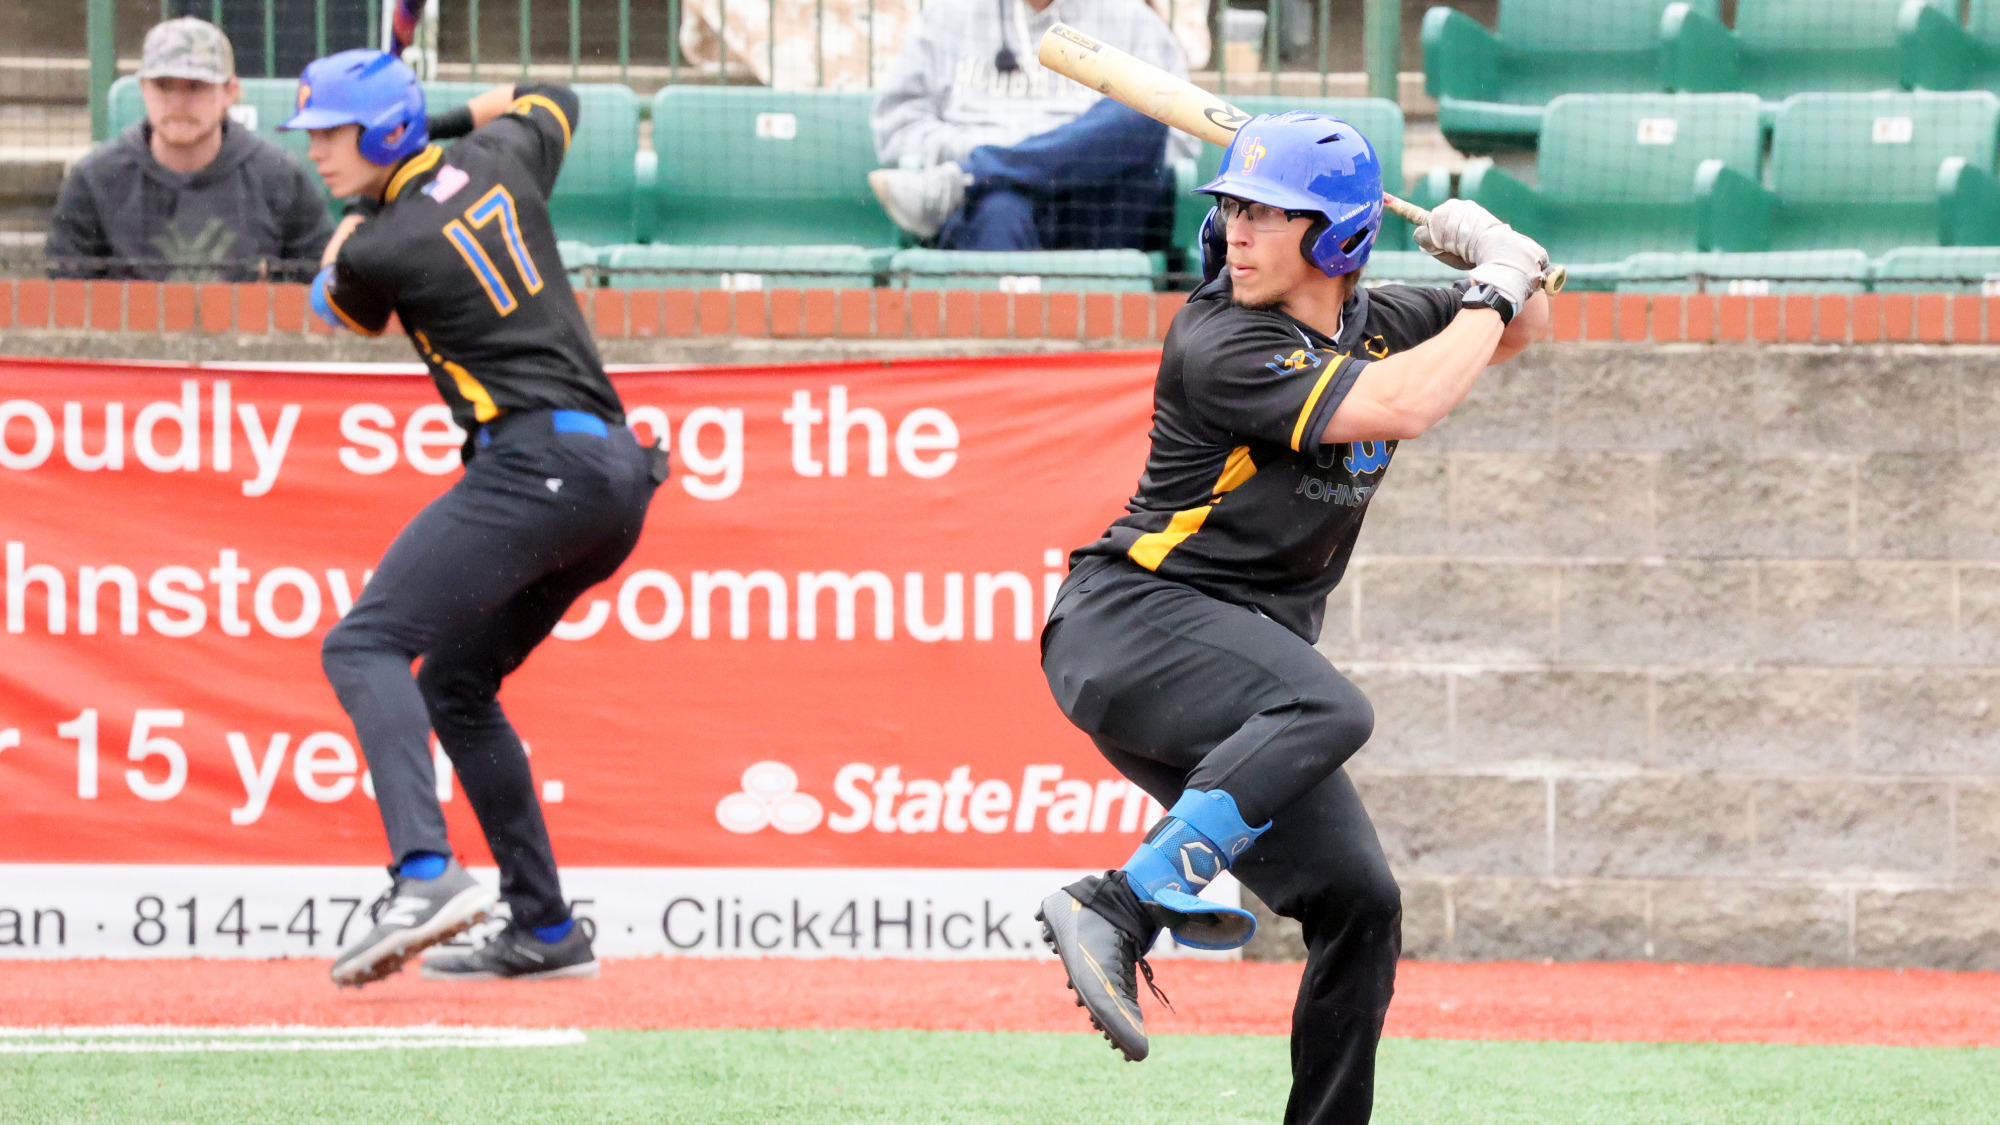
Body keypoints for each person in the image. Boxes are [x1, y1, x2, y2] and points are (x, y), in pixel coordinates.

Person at [1033, 112, 1552, 1123]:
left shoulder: (1380, 318)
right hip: (1129, 622)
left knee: (1360, 902)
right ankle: (1122, 905)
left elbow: (1522, 332)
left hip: (1231, 669)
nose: (1237, 231)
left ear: (1338, 237)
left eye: (1269, 213)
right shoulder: (1221, 339)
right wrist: (1493, 286)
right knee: (1331, 709)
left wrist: (1501, 252)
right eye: (1233, 207)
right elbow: (1404, 405)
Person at [284, 49, 667, 987]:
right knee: (455, 683)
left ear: (385, 131)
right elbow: (552, 95)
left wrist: (350, 227)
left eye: (332, 134)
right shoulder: (502, 155)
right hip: (614, 477)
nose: (316, 152)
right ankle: (545, 926)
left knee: (361, 644)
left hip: (537, 465)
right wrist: (436, 124)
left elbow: (332, 305)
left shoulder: (378, 246)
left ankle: (425, 872)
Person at [866, 0, 1193, 251]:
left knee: (1145, 108)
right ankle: (984, 175)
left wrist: (1063, 159)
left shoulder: (1132, 18)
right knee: (1001, 209)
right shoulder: (946, 17)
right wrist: (989, 155)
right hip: (991, 206)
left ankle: (972, 173)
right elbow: (897, 124)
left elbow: (1181, 131)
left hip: (1099, 207)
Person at [45, 17, 332, 281]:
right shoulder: (94, 180)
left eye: (195, 86)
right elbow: (64, 293)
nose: (178, 102)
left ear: (229, 92)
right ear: (143, 89)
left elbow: (322, 284)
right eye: (163, 86)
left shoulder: (280, 179)